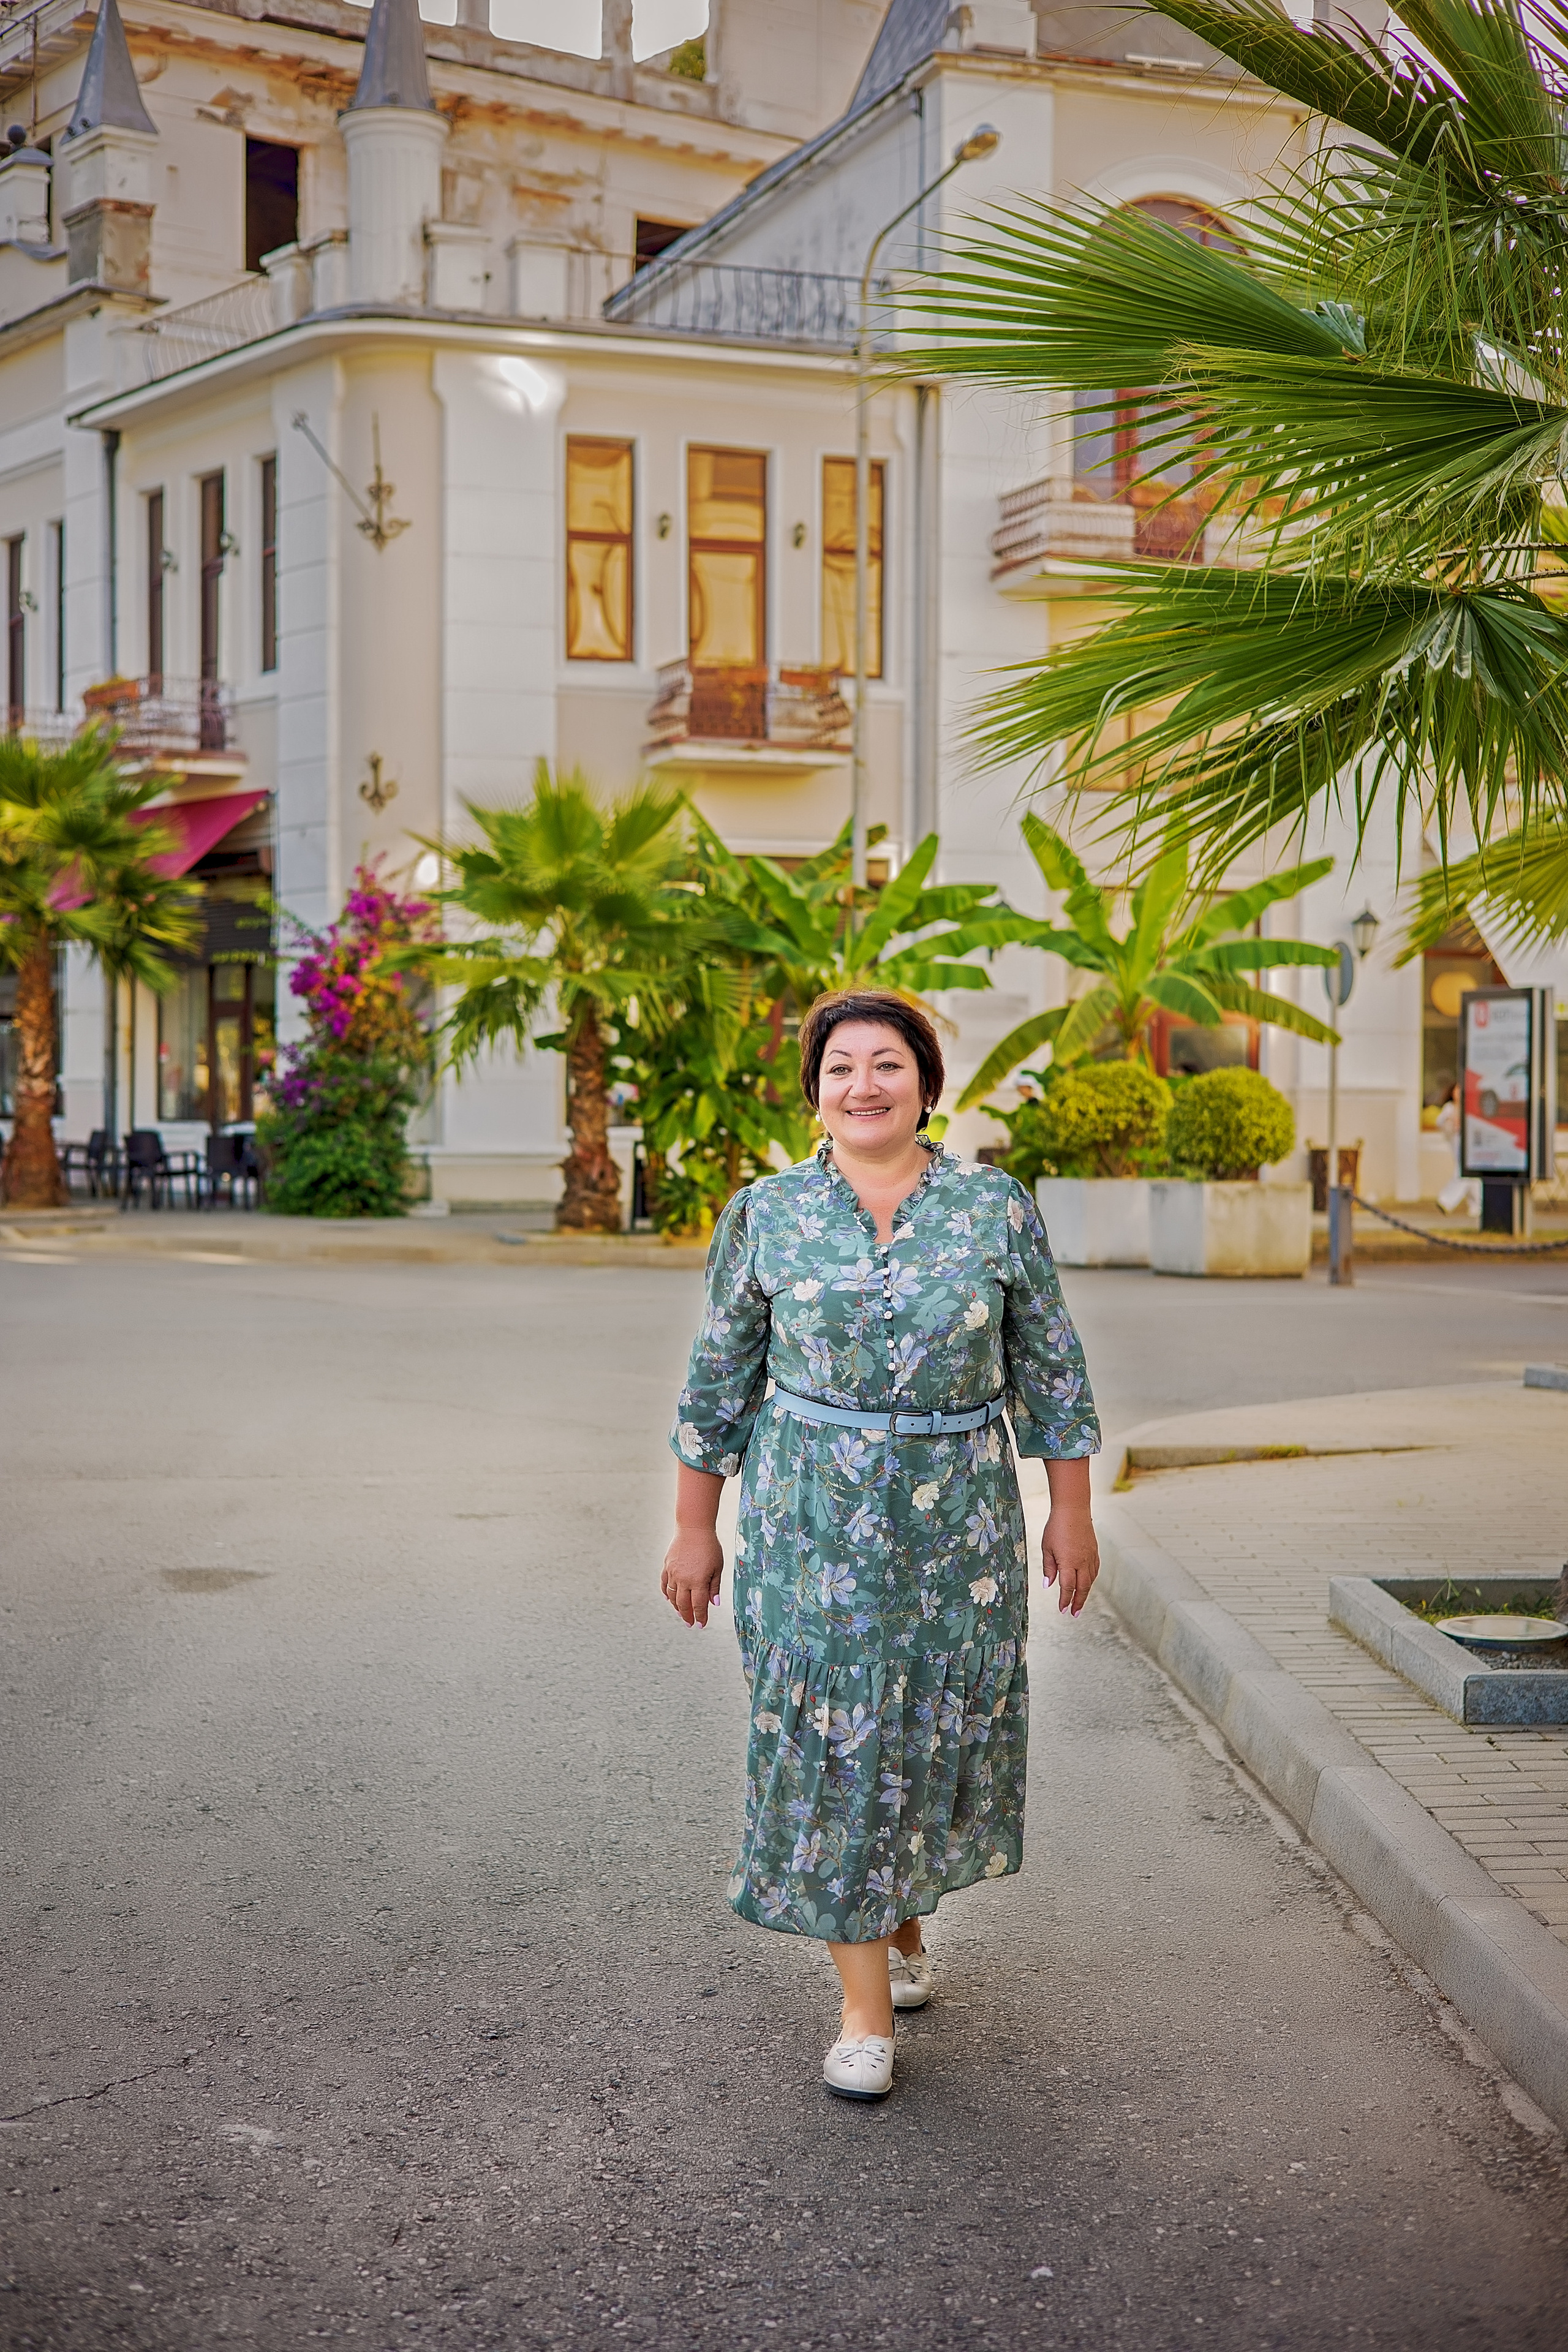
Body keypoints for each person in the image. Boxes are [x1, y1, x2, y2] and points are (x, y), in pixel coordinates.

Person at [661, 987, 1101, 2103]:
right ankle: (861, 2009)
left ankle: (901, 1927)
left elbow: (1051, 1368)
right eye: (843, 1066)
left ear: (925, 1083)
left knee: (928, 1729)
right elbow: (718, 1383)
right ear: (815, 1089)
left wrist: (1072, 1510)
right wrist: (693, 1527)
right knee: (836, 1744)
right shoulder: (768, 1213)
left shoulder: (994, 1208)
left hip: (962, 1531)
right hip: (813, 1533)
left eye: (889, 1064)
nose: (866, 1085)